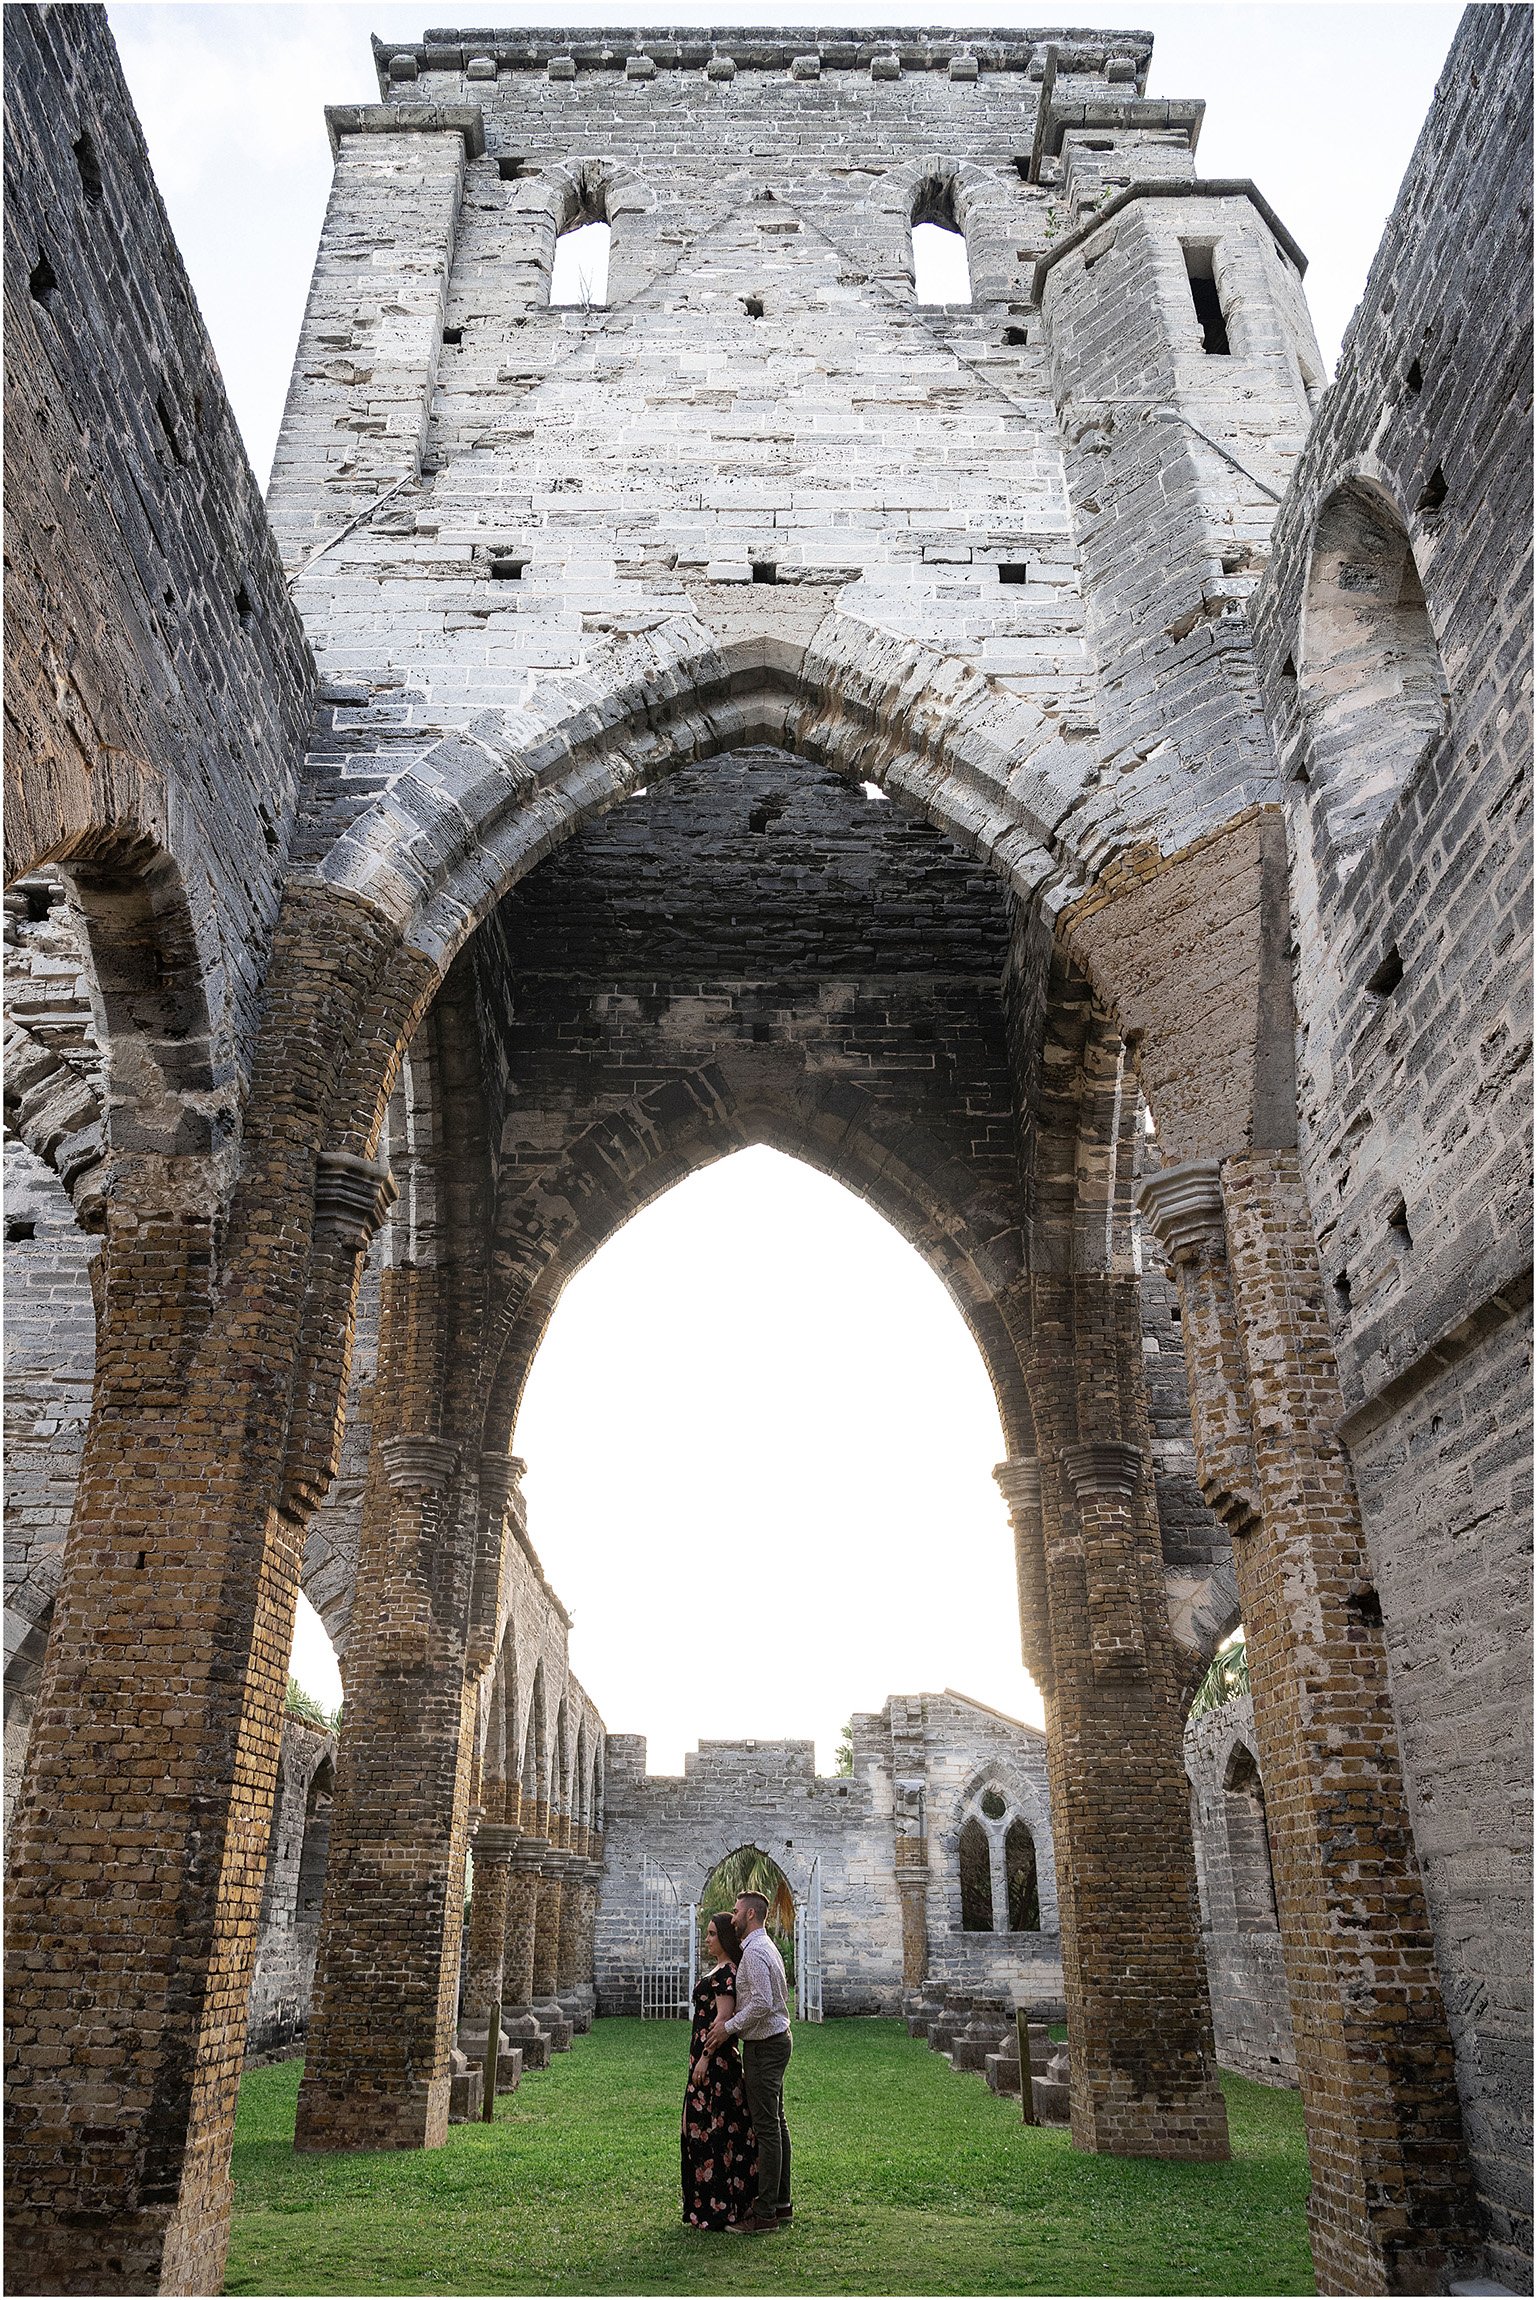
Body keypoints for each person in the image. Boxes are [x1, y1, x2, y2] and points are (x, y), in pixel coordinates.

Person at [706, 1889, 792, 2233]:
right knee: (777, 2124)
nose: (734, 1915)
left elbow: (763, 2003)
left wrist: (729, 2027)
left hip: (765, 2046)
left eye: (737, 1910)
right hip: (775, 2041)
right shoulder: (764, 1947)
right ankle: (781, 2203)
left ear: (751, 1916)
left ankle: (765, 2212)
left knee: (767, 2128)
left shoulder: (755, 1953)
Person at [681, 1912, 758, 2231]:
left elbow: (723, 2022)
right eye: (707, 1933)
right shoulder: (720, 1969)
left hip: (716, 2065)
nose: (707, 1939)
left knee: (716, 2132)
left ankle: (720, 2208)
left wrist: (704, 2058)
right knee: (699, 2130)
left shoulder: (727, 1973)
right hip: (707, 2062)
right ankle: (706, 2207)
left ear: (725, 1938)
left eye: (713, 1934)